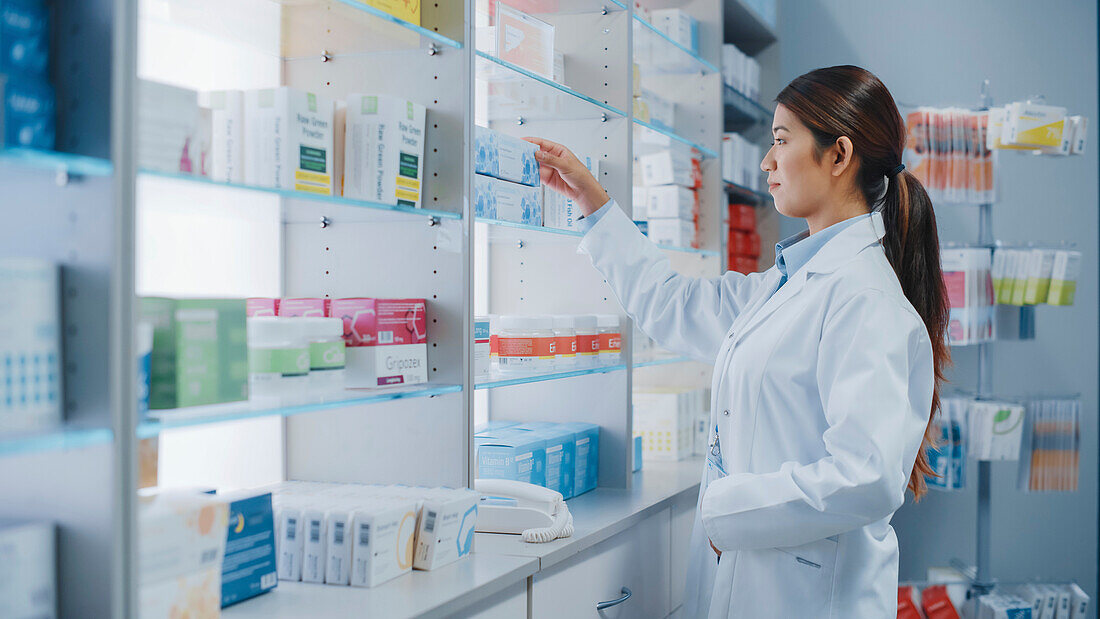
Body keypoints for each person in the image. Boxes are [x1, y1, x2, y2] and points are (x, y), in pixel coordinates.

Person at [525, 65, 949, 617]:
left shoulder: (865, 301)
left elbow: (865, 478)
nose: (767, 161)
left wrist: (728, 511)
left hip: (810, 598)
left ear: (839, 156)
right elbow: (672, 303)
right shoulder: (787, 282)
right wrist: (594, 203)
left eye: (780, 141)